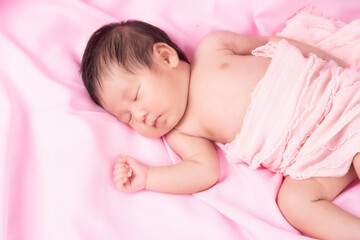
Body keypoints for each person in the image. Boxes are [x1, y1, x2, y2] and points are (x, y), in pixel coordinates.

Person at [81, 20, 360, 239]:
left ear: (165, 58)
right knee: (293, 204)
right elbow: (203, 171)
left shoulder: (212, 49)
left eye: (136, 96)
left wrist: (327, 59)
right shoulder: (182, 132)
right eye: (127, 118)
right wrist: (148, 177)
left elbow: (273, 43)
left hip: (337, 107)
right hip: (311, 159)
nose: (139, 116)